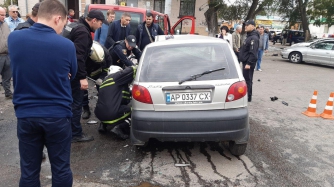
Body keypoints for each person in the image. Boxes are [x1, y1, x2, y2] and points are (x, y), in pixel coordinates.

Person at [8, 0, 76, 186]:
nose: (62, 28)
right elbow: (73, 74)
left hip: (26, 115)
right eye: (63, 24)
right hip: (57, 116)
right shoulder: (66, 46)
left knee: (29, 171)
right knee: (61, 169)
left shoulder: (15, 39)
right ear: (57, 18)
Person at [65, 9, 104, 142]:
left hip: (64, 70)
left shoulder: (73, 25)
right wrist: (82, 77)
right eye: (100, 23)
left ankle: (67, 129)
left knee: (68, 102)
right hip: (73, 73)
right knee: (76, 103)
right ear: (93, 20)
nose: (100, 26)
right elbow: (78, 57)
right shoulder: (82, 32)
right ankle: (75, 134)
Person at [95, 65, 136, 139]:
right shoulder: (116, 77)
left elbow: (118, 96)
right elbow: (131, 70)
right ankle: (120, 127)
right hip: (111, 113)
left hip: (99, 115)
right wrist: (139, 66)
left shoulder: (104, 82)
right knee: (134, 111)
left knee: (108, 106)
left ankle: (103, 125)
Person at [81, 41, 112, 119]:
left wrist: (101, 78)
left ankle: (103, 113)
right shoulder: (81, 53)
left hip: (98, 71)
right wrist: (82, 77)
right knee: (82, 90)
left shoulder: (106, 54)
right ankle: (85, 108)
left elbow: (107, 68)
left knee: (103, 90)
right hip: (84, 70)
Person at [239, 20, 259, 102]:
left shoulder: (253, 38)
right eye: (245, 25)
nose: (245, 26)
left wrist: (248, 63)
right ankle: (246, 96)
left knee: (248, 80)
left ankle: (247, 97)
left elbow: (253, 53)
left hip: (248, 63)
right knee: (247, 79)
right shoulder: (249, 36)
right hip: (245, 61)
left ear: (253, 26)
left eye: (247, 25)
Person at [0, 7, 13, 99]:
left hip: (7, 54)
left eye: (4, 15)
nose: (4, 17)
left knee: (7, 76)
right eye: (1, 15)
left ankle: (8, 93)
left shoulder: (5, 24)